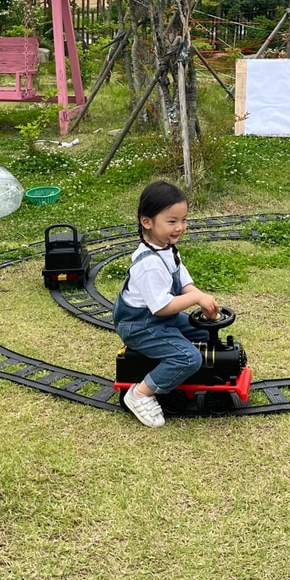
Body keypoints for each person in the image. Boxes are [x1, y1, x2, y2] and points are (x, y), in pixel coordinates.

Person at [113, 180, 220, 428]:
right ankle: (140, 393)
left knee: (204, 330)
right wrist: (195, 299)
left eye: (183, 220)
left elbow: (184, 283)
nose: (180, 227)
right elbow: (161, 307)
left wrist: (199, 296)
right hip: (140, 326)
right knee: (189, 358)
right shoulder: (148, 263)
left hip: (161, 319)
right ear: (147, 222)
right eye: (172, 221)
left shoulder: (167, 248)